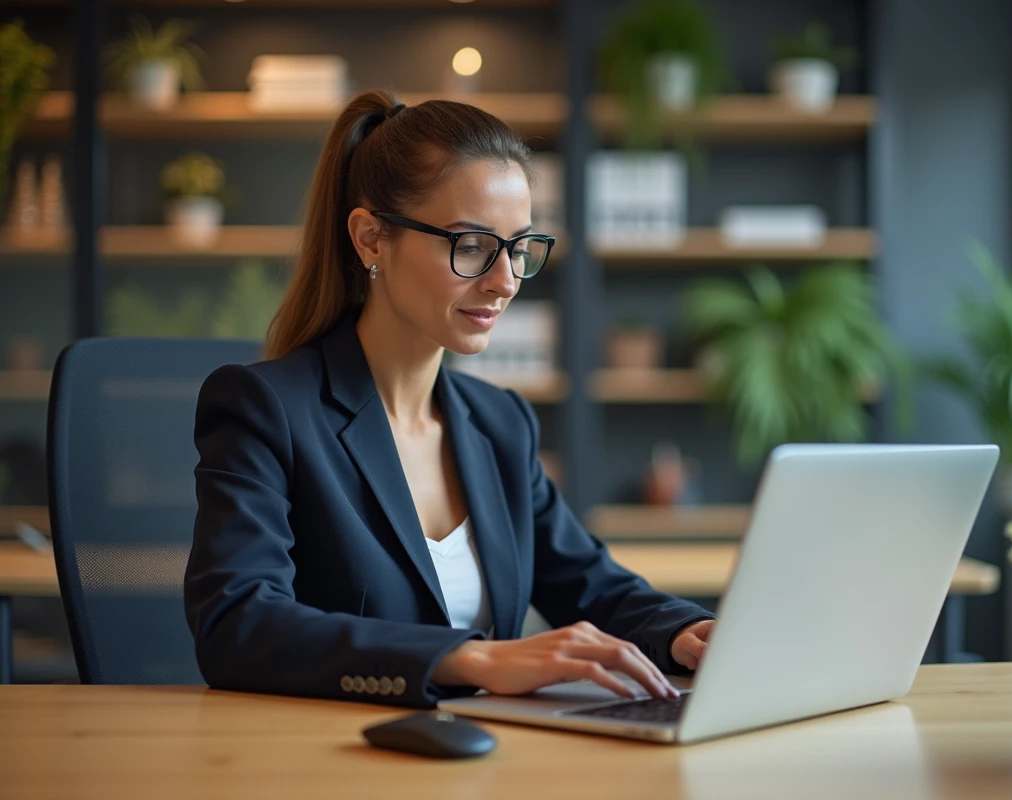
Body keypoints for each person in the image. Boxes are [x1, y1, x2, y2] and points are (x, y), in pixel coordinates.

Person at [184, 90, 716, 709]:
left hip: (477, 758)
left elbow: (591, 584)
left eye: (518, 247)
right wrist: (471, 658)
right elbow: (238, 625)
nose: (506, 280)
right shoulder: (266, 408)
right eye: (471, 245)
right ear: (371, 240)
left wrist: (688, 632)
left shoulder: (499, 424)